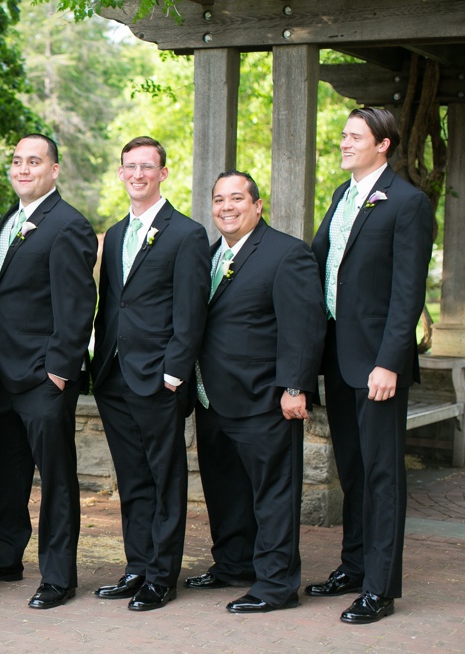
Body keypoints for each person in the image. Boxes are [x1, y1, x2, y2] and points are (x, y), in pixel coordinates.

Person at [0, 134, 97, 610]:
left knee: (56, 480)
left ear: (54, 170)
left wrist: (59, 369)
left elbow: (78, 305)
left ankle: (58, 575)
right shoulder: (11, 219)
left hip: (42, 377)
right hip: (3, 376)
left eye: (33, 161)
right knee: (5, 476)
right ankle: (3, 557)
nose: (23, 168)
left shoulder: (68, 225)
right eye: (17, 161)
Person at [307, 107, 432, 624]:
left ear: (383, 145)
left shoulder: (408, 203)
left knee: (382, 475)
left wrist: (390, 363)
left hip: (378, 365)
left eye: (354, 136)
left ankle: (380, 588)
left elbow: (407, 295)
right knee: (353, 469)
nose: (344, 142)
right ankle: (354, 565)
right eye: (343, 134)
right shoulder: (342, 196)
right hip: (337, 356)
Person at [185, 171, 325, 614]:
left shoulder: (287, 253)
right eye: (219, 199)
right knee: (225, 490)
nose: (226, 207)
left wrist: (295, 387)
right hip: (212, 400)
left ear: (257, 205)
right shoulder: (207, 256)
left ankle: (276, 585)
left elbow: (304, 327)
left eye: (237, 198)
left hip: (266, 399)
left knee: (272, 495)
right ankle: (232, 565)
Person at [90, 137, 209, 611]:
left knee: (165, 479)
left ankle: (162, 575)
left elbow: (191, 310)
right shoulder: (115, 233)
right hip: (114, 376)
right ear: (121, 174)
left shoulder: (187, 233)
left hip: (158, 378)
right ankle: (137, 565)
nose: (137, 174)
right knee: (133, 478)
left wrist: (175, 373)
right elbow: (112, 304)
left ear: (163, 172)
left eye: (147, 167)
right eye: (129, 167)